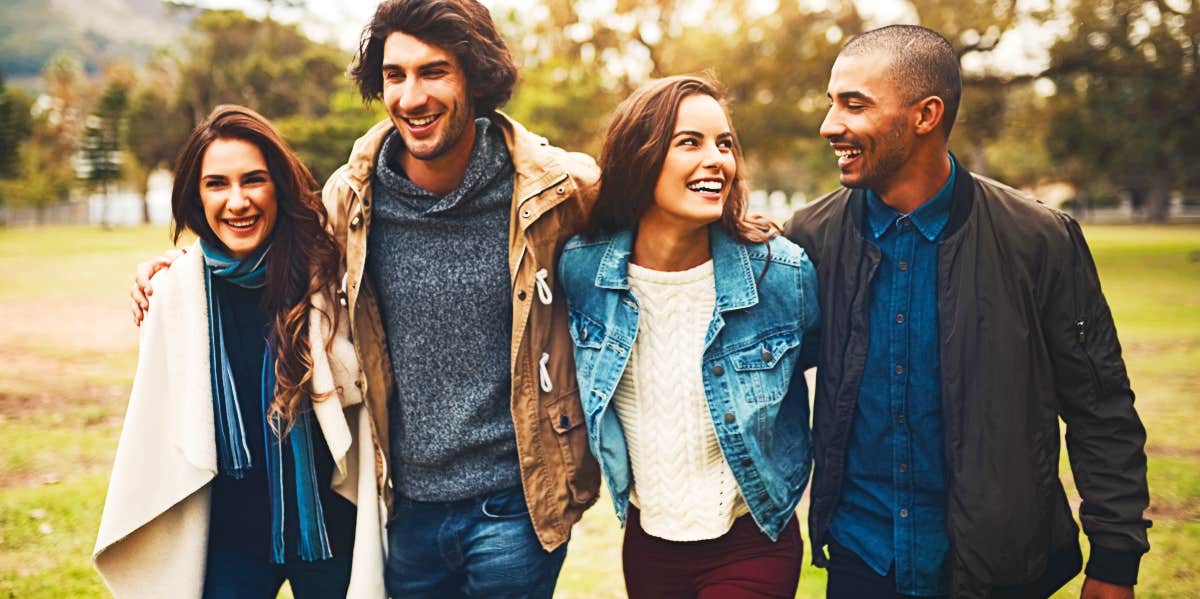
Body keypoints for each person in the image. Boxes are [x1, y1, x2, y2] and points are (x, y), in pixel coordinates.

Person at [130, 1, 601, 596]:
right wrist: (175, 269)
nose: (411, 96)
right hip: (401, 514)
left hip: (514, 509)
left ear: (476, 78)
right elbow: (269, 249)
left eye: (434, 71)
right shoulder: (349, 199)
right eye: (394, 75)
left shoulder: (560, 188)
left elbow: (658, 225)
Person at [783, 25, 1151, 599]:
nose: (831, 124)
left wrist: (1116, 558)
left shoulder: (1041, 239)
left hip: (1001, 568)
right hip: (862, 563)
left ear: (926, 114)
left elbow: (1100, 406)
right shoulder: (807, 238)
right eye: (832, 102)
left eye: (854, 105)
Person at [96, 105, 384, 598]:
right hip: (228, 539)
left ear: (279, 185)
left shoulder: (328, 274)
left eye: (253, 180)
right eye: (216, 184)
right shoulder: (175, 294)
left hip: (330, 530)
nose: (237, 202)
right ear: (195, 194)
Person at [559, 75, 819, 599]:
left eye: (725, 144)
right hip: (649, 541)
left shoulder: (781, 274)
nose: (717, 159)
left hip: (754, 539)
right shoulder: (583, 271)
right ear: (641, 158)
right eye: (690, 142)